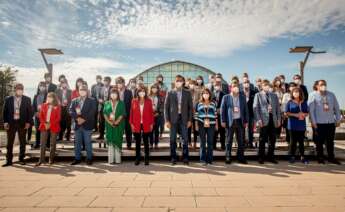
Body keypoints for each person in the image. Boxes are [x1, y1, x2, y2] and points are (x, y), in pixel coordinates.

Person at [308, 80, 341, 165]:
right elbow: (311, 110)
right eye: (321, 84)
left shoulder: (331, 95)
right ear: (317, 86)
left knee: (330, 141)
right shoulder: (313, 95)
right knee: (319, 142)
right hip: (319, 123)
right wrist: (313, 122)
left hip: (330, 122)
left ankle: (331, 158)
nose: (323, 86)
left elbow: (337, 108)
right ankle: (320, 158)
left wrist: (338, 120)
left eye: (325, 84)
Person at [165, 75, 193, 165]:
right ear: (174, 81)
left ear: (183, 82)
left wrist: (190, 120)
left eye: (180, 81)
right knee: (172, 139)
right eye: (177, 80)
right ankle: (173, 157)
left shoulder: (187, 93)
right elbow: (166, 107)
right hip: (173, 119)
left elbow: (190, 108)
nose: (178, 82)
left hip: (184, 119)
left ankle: (185, 157)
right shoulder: (170, 92)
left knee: (185, 139)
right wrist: (167, 120)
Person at [2, 83, 32, 167]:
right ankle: (9, 160)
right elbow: (5, 112)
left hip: (22, 123)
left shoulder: (27, 99)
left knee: (22, 142)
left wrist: (28, 122)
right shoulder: (8, 99)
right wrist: (5, 122)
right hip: (11, 123)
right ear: (15, 89)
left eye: (21, 88)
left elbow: (30, 112)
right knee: (9, 143)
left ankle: (21, 159)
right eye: (18, 88)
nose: (20, 90)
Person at [253, 79, 281, 164]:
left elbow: (278, 109)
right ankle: (261, 157)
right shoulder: (258, 95)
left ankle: (271, 156)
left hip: (273, 119)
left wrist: (279, 119)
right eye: (265, 85)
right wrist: (258, 120)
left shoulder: (274, 95)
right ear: (262, 86)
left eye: (268, 85)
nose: (266, 86)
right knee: (262, 139)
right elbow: (255, 108)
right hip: (263, 120)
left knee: (272, 140)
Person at [220, 83, 249, 164]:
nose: (236, 88)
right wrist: (223, 120)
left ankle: (240, 157)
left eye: (237, 87)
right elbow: (222, 110)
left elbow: (245, 110)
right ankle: (228, 156)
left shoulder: (242, 98)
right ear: (231, 88)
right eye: (234, 87)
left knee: (240, 140)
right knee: (229, 140)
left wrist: (246, 121)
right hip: (230, 121)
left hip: (240, 121)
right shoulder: (226, 97)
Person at [69, 85, 97, 165]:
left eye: (84, 90)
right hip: (77, 125)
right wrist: (78, 119)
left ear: (87, 91)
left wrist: (83, 119)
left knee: (88, 142)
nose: (82, 91)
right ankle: (77, 158)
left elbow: (92, 112)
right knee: (77, 143)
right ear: (78, 91)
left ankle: (89, 158)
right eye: (81, 89)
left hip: (87, 125)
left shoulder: (92, 100)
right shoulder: (74, 100)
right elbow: (70, 111)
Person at [129, 86, 154, 165]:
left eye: (143, 91)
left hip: (146, 123)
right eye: (140, 91)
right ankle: (137, 158)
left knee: (146, 142)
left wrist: (151, 124)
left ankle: (146, 158)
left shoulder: (149, 101)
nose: (142, 93)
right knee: (138, 142)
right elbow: (131, 113)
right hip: (136, 123)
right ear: (138, 92)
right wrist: (131, 123)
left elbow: (151, 113)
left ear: (145, 92)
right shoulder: (134, 101)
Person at [36, 92, 61, 166]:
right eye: (48, 97)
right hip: (44, 125)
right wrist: (44, 123)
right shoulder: (43, 105)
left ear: (54, 98)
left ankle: (51, 159)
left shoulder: (57, 106)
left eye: (51, 97)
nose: (49, 98)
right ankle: (41, 160)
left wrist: (50, 124)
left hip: (53, 125)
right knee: (42, 143)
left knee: (52, 143)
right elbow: (40, 116)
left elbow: (58, 118)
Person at [285, 87, 309, 164]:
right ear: (292, 93)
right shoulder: (289, 102)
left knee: (301, 142)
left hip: (301, 125)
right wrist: (296, 115)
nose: (296, 93)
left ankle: (302, 157)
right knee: (293, 142)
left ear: (300, 93)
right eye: (294, 92)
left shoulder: (304, 102)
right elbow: (286, 113)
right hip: (292, 125)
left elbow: (307, 112)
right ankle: (292, 157)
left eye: (297, 92)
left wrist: (303, 115)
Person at [195, 88, 217, 165]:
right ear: (202, 95)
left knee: (210, 142)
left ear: (209, 94)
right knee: (202, 142)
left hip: (211, 124)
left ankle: (210, 160)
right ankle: (202, 160)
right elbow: (196, 115)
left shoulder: (213, 103)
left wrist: (216, 125)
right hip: (201, 124)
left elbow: (215, 115)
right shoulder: (199, 103)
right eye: (204, 93)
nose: (206, 95)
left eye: (207, 93)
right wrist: (196, 125)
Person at [103, 88, 126, 164]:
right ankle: (111, 160)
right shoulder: (106, 103)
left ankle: (118, 160)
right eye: (112, 93)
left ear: (117, 95)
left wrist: (116, 122)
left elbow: (122, 114)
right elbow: (105, 114)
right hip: (109, 126)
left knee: (117, 140)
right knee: (110, 141)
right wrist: (110, 123)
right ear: (110, 94)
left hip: (118, 126)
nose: (113, 95)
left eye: (115, 93)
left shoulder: (121, 103)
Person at [115, 76, 133, 149]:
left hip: (127, 115)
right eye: (118, 83)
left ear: (124, 83)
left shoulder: (129, 92)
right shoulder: (114, 92)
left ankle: (129, 145)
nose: (119, 84)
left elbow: (131, 104)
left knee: (128, 131)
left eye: (121, 83)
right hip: (117, 115)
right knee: (119, 131)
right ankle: (118, 145)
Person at [32, 82, 47, 149]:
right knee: (37, 130)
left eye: (43, 86)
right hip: (37, 115)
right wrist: (35, 113)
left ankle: (46, 144)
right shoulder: (35, 96)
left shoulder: (47, 95)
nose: (42, 87)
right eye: (41, 86)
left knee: (45, 130)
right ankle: (37, 143)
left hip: (45, 116)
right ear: (38, 87)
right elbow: (33, 106)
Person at [242, 79, 257, 148]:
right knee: (243, 129)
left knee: (251, 129)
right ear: (243, 84)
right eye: (245, 82)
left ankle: (250, 142)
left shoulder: (254, 93)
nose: (246, 84)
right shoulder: (240, 92)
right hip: (242, 114)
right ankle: (243, 143)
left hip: (251, 114)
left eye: (247, 82)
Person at [148, 83, 163, 149]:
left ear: (157, 89)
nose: (154, 89)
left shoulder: (160, 96)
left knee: (156, 130)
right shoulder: (148, 96)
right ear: (150, 89)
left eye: (155, 88)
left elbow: (162, 106)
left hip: (157, 115)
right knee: (150, 130)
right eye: (153, 88)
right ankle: (151, 143)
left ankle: (156, 143)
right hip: (149, 115)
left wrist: (158, 113)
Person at [97, 76, 111, 143]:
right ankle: (101, 135)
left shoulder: (112, 88)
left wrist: (107, 102)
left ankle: (109, 136)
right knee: (101, 122)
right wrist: (99, 100)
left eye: (107, 80)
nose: (105, 82)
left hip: (109, 108)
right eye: (105, 80)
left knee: (109, 122)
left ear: (109, 82)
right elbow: (98, 97)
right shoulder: (101, 88)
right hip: (101, 107)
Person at [213, 81, 226, 150]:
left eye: (218, 85)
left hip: (221, 116)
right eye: (215, 85)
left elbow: (225, 105)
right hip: (213, 116)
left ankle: (223, 146)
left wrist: (220, 109)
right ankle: (213, 146)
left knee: (222, 131)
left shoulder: (224, 94)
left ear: (220, 86)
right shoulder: (211, 94)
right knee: (214, 131)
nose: (217, 86)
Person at [155, 74, 168, 138]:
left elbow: (166, 94)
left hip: (163, 106)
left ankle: (161, 133)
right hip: (156, 105)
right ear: (157, 79)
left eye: (161, 78)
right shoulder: (155, 85)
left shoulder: (164, 86)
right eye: (159, 78)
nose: (160, 79)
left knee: (162, 121)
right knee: (156, 121)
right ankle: (156, 134)